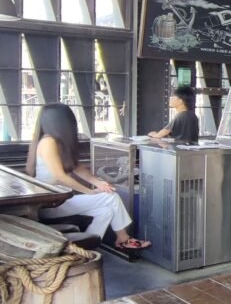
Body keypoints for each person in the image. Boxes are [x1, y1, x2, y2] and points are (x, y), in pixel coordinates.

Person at [27, 104, 149, 251]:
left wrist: (99, 183)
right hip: (50, 205)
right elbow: (60, 176)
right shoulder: (48, 142)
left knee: (106, 212)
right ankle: (123, 238)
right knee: (111, 197)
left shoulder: (55, 142)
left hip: (59, 201)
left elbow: (77, 168)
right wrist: (90, 191)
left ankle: (83, 250)